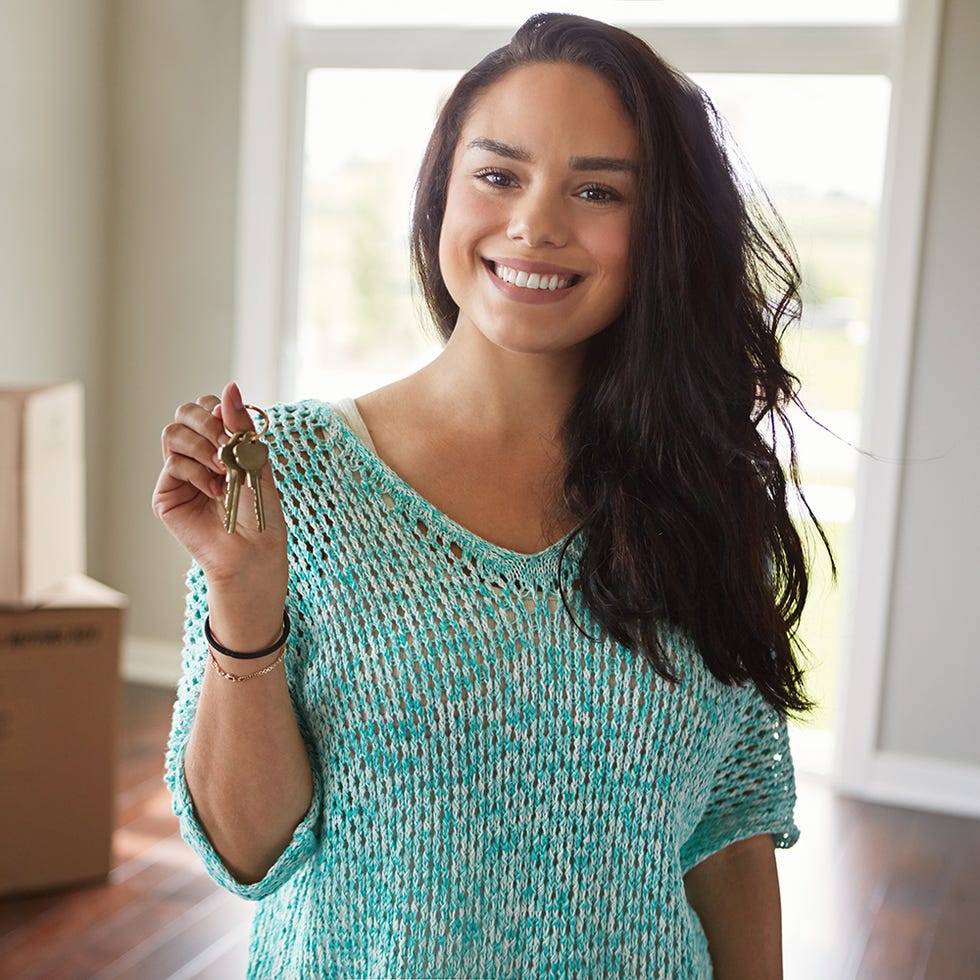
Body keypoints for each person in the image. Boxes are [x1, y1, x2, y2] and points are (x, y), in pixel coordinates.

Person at [154, 12, 827, 978]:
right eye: (499, 174)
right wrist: (244, 596)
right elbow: (246, 853)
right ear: (441, 193)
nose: (534, 225)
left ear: (662, 232)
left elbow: (731, 841)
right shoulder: (287, 472)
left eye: (597, 189)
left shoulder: (710, 501)